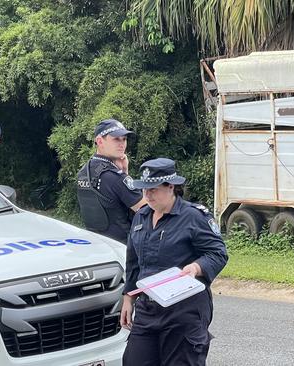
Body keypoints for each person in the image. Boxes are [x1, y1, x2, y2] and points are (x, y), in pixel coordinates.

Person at [120, 158, 228, 366]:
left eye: (153, 189)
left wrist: (196, 267)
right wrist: (128, 297)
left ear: (171, 187)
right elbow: (133, 261)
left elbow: (218, 253)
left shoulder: (193, 217)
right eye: (144, 189)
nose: (147, 195)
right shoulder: (141, 217)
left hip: (183, 310)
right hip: (148, 308)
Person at [76, 119, 147, 243]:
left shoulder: (84, 171)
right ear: (99, 141)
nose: (122, 144)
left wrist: (124, 171)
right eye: (116, 139)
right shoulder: (114, 177)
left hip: (97, 242)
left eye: (124, 139)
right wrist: (125, 175)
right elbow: (146, 209)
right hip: (123, 248)